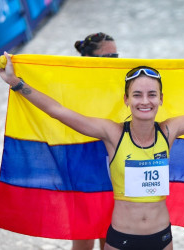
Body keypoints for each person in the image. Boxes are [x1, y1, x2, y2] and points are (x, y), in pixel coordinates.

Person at [0, 52, 184, 250]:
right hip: (121, 240)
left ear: (161, 99)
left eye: (152, 94)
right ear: (127, 100)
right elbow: (58, 111)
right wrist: (16, 83)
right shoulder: (113, 133)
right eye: (138, 95)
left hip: (162, 238)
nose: (145, 101)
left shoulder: (169, 131)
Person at [71, 32, 118, 250]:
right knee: (84, 238)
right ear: (89, 59)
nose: (114, 63)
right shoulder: (73, 87)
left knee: (110, 236)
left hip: (111, 169)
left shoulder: (119, 85)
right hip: (82, 169)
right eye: (107, 57)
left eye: (115, 57)